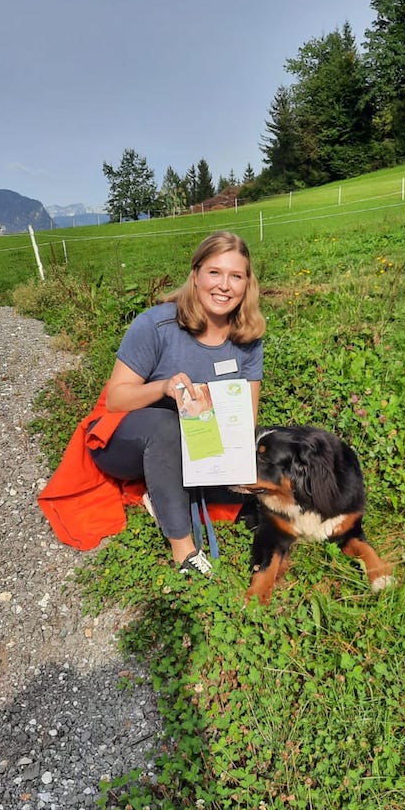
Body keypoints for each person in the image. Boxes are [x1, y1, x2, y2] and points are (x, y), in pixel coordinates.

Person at [87, 230, 266, 576]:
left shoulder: (248, 340)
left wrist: (246, 468)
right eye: (214, 272)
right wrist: (163, 388)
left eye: (236, 276)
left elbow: (246, 420)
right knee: (166, 425)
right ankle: (184, 551)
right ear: (196, 274)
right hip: (126, 437)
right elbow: (116, 399)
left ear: (247, 283)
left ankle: (166, 491)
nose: (224, 285)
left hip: (195, 442)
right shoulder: (156, 324)